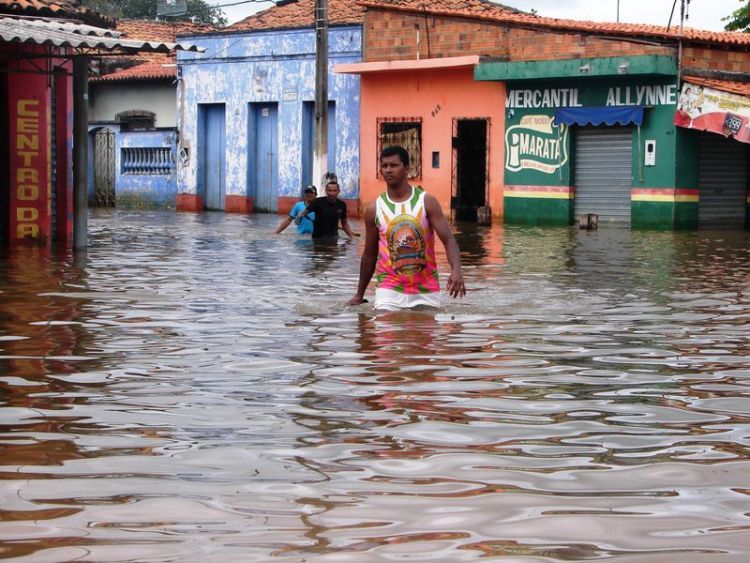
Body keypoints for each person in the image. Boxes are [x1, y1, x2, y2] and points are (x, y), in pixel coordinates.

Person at [347, 145, 466, 310]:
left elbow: (449, 240)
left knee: (424, 334)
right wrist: (359, 294)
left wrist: (457, 271)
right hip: (388, 289)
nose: (388, 170)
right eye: (384, 166)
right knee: (385, 332)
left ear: (407, 169)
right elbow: (369, 255)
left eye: (394, 165)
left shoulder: (427, 202)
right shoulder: (375, 209)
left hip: (426, 289)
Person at [297, 174, 356, 241]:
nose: (332, 193)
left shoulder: (342, 205)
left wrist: (351, 238)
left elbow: (344, 223)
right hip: (318, 239)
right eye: (329, 190)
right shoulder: (318, 202)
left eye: (334, 191)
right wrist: (299, 216)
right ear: (326, 191)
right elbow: (304, 212)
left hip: (334, 238)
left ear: (338, 191)